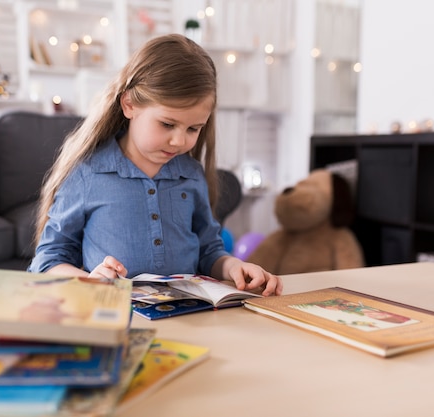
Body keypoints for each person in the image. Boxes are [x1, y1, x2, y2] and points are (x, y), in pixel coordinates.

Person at [28, 34, 282, 297]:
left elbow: (209, 251)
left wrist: (234, 267)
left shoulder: (191, 174)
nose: (179, 140)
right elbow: (47, 261)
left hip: (189, 317)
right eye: (167, 124)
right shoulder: (88, 172)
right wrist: (89, 281)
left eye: (194, 128)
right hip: (117, 317)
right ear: (129, 104)